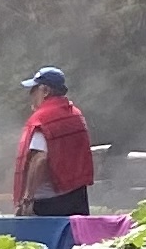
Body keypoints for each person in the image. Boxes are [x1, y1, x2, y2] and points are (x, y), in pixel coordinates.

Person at [12, 65, 96, 223]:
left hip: (49, 205)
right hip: (77, 197)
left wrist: (28, 198)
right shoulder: (75, 115)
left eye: (33, 90)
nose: (31, 95)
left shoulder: (43, 119)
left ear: (45, 90)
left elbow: (40, 159)